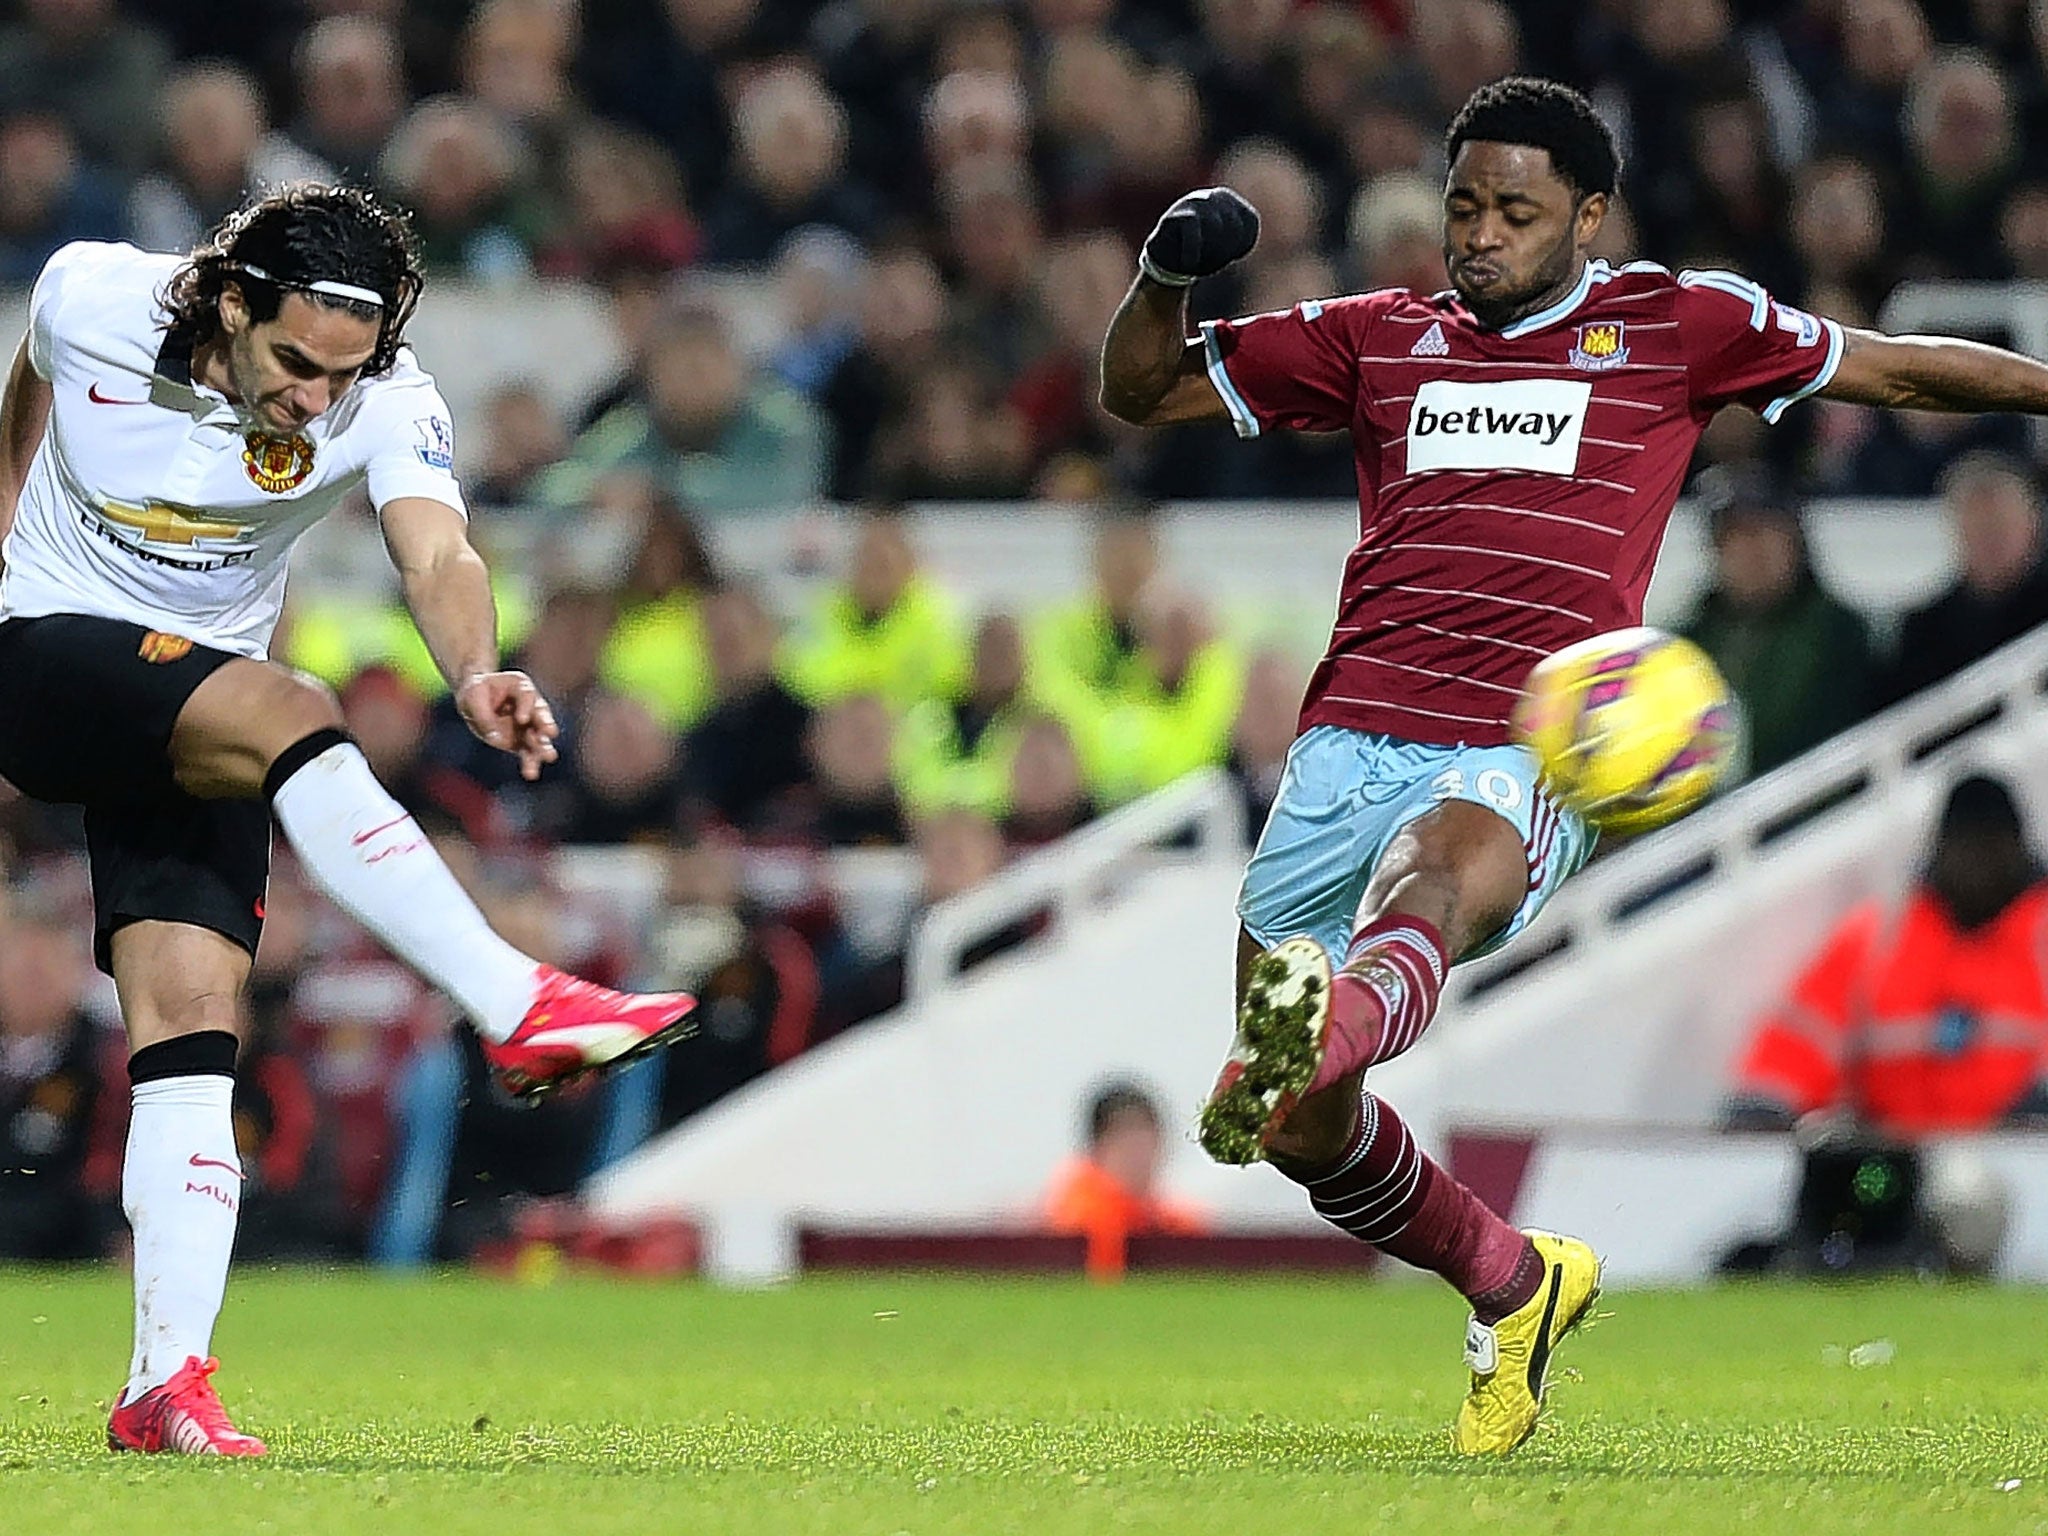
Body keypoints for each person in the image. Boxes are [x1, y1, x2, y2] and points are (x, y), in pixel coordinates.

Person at [1100, 74, 2048, 1456]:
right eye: (1464, 206)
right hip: (1348, 734)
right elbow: (1143, 394)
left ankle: (1313, 1041)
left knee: (1424, 894)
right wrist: (1164, 276)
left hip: (1539, 733)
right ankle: (1509, 1275)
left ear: (1591, 216)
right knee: (1308, 1136)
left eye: (1518, 211)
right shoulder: (1377, 338)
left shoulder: (1677, 324)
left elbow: (1893, 363)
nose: (1479, 235)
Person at [0, 185, 700, 1457]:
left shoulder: (389, 398)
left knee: (190, 1024)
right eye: (293, 363)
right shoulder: (87, 296)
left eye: (344, 372)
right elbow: (23, 398)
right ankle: (513, 999)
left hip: (188, 706)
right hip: (42, 656)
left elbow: (438, 557)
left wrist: (477, 671)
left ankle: (165, 1381)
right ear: (229, 301)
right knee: (291, 705)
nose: (317, 400)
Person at [1725, 773, 2048, 1138]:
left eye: (1992, 847)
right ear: (1940, 848)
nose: (1978, 864)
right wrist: (1765, 1102)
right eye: (1967, 847)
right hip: (1892, 1172)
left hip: (2027, 1169)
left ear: (2019, 849)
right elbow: (1803, 1036)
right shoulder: (1879, 938)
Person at [1678, 465, 1877, 780]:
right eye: (1737, 534)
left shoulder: (1838, 634)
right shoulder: (1685, 645)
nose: (1752, 549)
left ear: (1795, 542)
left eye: (1767, 531)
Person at [1884, 452, 2048, 703]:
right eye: (1979, 527)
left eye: (2002, 525)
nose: (1992, 540)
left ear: (2032, 526)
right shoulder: (1925, 631)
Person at [1042, 1081, 1209, 1278]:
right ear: (1099, 1147)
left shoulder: (1176, 1221)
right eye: (1127, 1144)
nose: (1139, 1157)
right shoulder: (1075, 1216)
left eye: (1145, 1143)